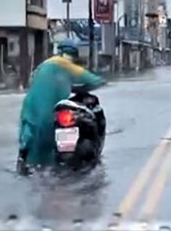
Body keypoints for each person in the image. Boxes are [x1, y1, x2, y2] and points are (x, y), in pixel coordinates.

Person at [16, 39, 105, 175]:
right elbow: (96, 81)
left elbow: (33, 82)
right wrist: (82, 87)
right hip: (48, 112)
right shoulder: (67, 65)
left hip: (30, 108)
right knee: (50, 140)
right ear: (74, 55)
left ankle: (27, 163)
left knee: (29, 142)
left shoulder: (44, 64)